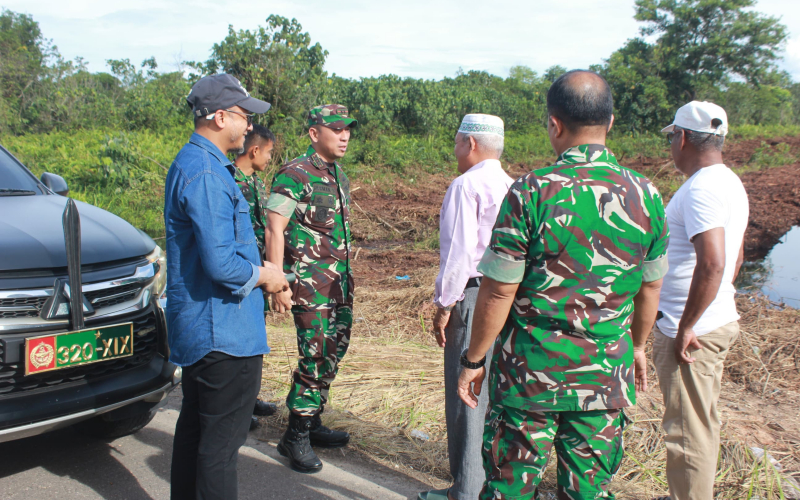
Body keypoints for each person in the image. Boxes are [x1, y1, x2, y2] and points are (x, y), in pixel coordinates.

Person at [457, 70, 670, 500]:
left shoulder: (531, 191)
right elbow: (651, 288)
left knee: (510, 489)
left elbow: (500, 290)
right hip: (605, 376)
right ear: (609, 122)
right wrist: (640, 346)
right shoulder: (646, 194)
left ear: (554, 124)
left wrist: (474, 359)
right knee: (589, 492)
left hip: (528, 379)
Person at [164, 73, 290, 500]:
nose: (248, 127)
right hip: (223, 334)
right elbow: (221, 263)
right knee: (219, 450)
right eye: (242, 116)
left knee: (196, 435)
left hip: (208, 328)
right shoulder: (206, 173)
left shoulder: (198, 164)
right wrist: (267, 275)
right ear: (220, 117)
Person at [652, 101, 747, 500]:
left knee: (687, 432)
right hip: (711, 319)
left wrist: (687, 324)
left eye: (673, 136)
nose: (672, 145)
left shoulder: (702, 188)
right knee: (699, 423)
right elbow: (734, 258)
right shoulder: (728, 181)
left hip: (693, 331)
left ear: (684, 137)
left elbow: (712, 261)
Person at [421, 114, 513, 500]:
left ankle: (467, 488)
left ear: (470, 144)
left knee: (467, 394)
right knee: (494, 393)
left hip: (474, 295)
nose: (456, 151)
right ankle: (488, 485)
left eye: (457, 143)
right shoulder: (513, 185)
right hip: (508, 299)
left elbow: (459, 253)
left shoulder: (466, 185)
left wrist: (445, 305)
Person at [264, 104, 357, 473]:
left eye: (348, 129)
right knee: (314, 355)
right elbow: (274, 228)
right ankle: (295, 435)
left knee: (336, 350)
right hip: (307, 285)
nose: (345, 135)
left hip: (338, 284)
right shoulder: (294, 173)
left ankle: (313, 419)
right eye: (336, 129)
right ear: (314, 133)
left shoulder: (338, 175)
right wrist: (277, 284)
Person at [232, 123, 280, 430]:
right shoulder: (231, 182)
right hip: (241, 273)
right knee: (239, 342)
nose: (271, 158)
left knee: (255, 338)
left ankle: (248, 397)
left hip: (259, 273)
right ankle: (236, 406)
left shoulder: (257, 182)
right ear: (254, 150)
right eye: (270, 152)